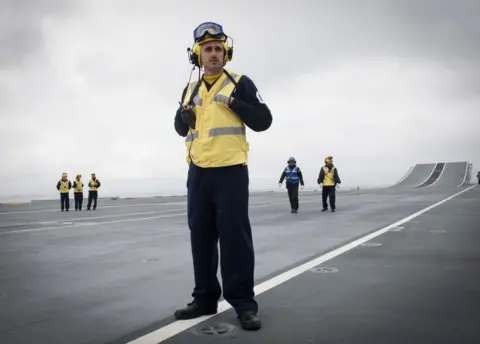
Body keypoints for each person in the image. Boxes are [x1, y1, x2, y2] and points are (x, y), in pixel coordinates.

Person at [173, 21, 272, 331]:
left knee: (235, 240)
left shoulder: (239, 82)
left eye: (218, 49)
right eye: (207, 49)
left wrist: (233, 102)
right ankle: (204, 298)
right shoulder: (190, 89)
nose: (213, 54)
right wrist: (183, 117)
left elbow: (263, 120)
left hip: (231, 172)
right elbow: (179, 129)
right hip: (198, 174)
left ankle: (243, 304)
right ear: (197, 56)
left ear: (226, 55)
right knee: (200, 238)